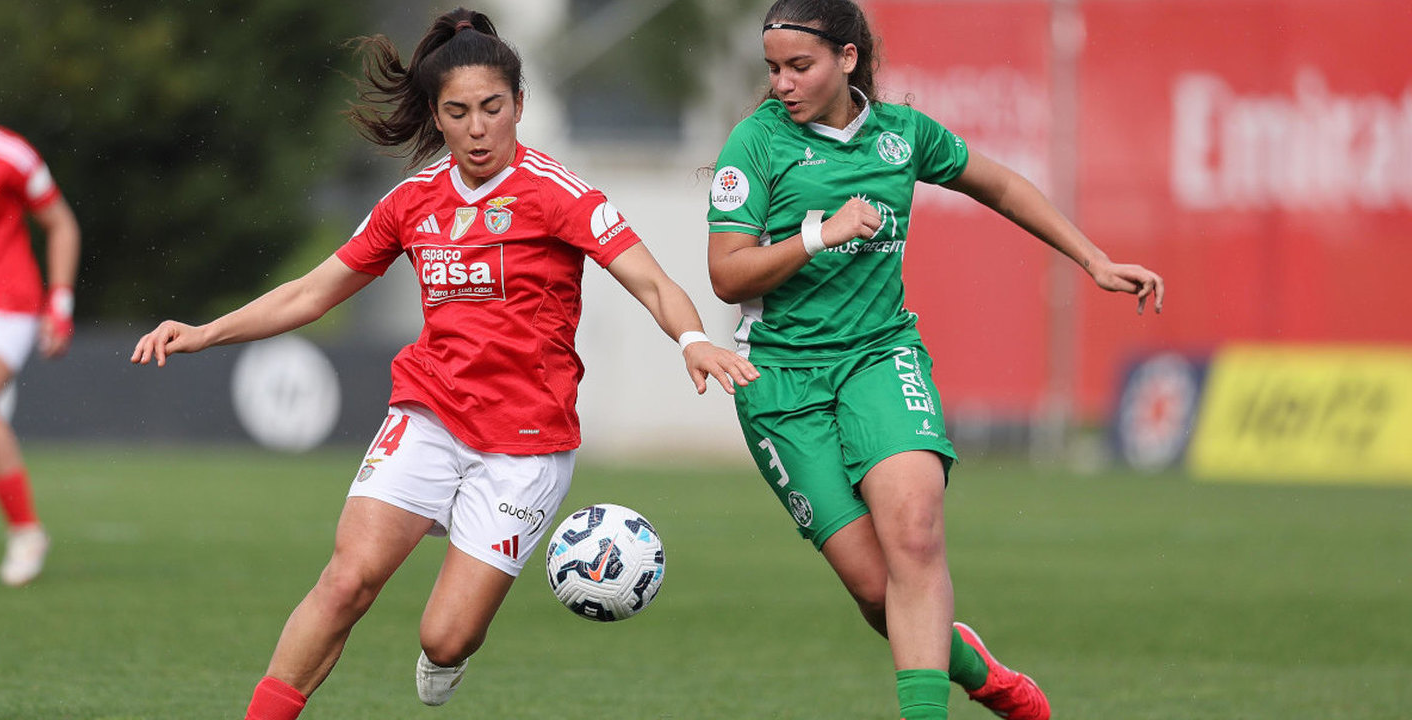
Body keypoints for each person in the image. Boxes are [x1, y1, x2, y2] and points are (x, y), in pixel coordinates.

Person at [131, 9, 757, 720]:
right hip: (429, 415)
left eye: (492, 108)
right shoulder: (412, 201)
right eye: (457, 112)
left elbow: (651, 280)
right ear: (436, 114)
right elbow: (312, 291)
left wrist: (692, 340)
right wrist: (206, 332)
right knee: (347, 582)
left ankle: (445, 656)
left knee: (447, 633)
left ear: (519, 105)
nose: (478, 128)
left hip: (526, 444)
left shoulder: (559, 193)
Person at [706, 2, 1165, 720]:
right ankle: (979, 671)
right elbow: (727, 275)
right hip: (781, 384)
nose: (784, 84)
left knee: (915, 535)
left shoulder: (902, 135)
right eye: (774, 69)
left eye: (801, 66)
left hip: (879, 356)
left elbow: (1003, 185)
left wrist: (1094, 259)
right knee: (873, 588)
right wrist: (821, 235)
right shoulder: (755, 145)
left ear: (848, 59)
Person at [0, 49, 81, 586]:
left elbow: (61, 223)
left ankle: (26, 531)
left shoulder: (9, 154)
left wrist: (59, 301)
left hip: (6, 303)